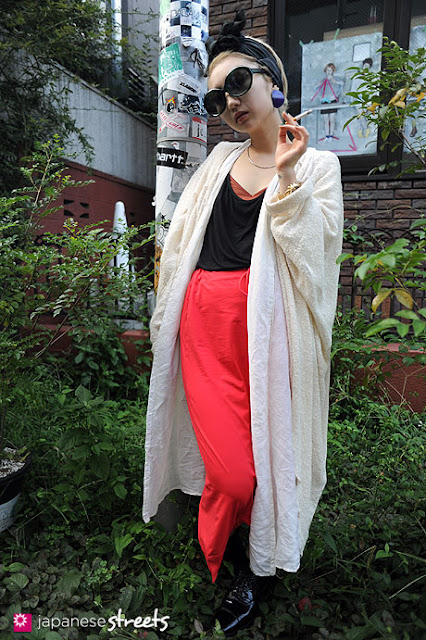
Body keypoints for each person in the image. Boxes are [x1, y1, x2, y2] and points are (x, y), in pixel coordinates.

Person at [143, 10, 344, 636]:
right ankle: (230, 551)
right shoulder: (216, 162)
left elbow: (317, 256)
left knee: (266, 451)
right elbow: (181, 244)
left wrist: (288, 175)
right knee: (231, 469)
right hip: (204, 328)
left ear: (272, 82)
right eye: (215, 96)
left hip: (267, 335)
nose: (228, 102)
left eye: (238, 83)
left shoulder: (318, 165)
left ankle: (255, 565)